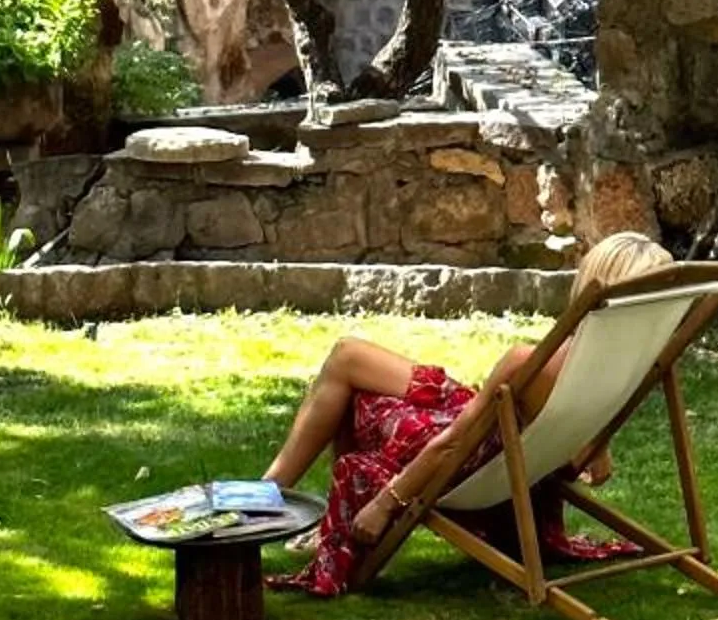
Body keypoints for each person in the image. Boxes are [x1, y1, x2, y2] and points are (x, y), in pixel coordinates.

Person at [264, 231, 673, 598]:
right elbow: (585, 438)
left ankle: (263, 499)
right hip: (496, 431)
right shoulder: (632, 360)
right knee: (349, 354)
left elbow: (456, 442)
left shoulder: (530, 364)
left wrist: (386, 502)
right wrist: (596, 445)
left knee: (353, 381)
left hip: (469, 453)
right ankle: (271, 498)